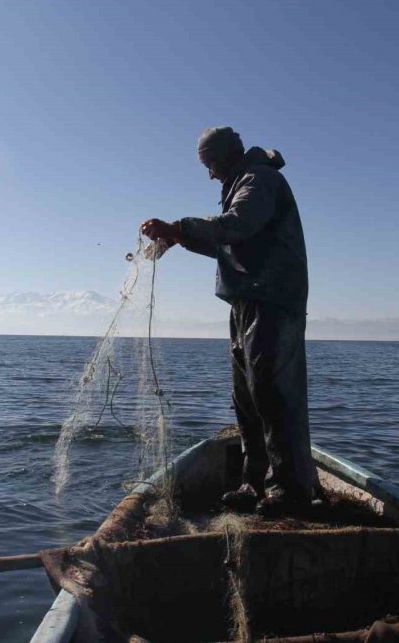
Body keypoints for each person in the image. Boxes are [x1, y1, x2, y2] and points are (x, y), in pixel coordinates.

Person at [140, 126, 321, 517]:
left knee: (270, 392)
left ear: (225, 156)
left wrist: (180, 227)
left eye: (209, 164)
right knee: (246, 395)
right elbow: (229, 243)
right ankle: (254, 482)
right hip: (246, 301)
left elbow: (237, 225)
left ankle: (290, 487)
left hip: (273, 300)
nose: (208, 175)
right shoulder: (241, 181)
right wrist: (178, 238)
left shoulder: (259, 180)